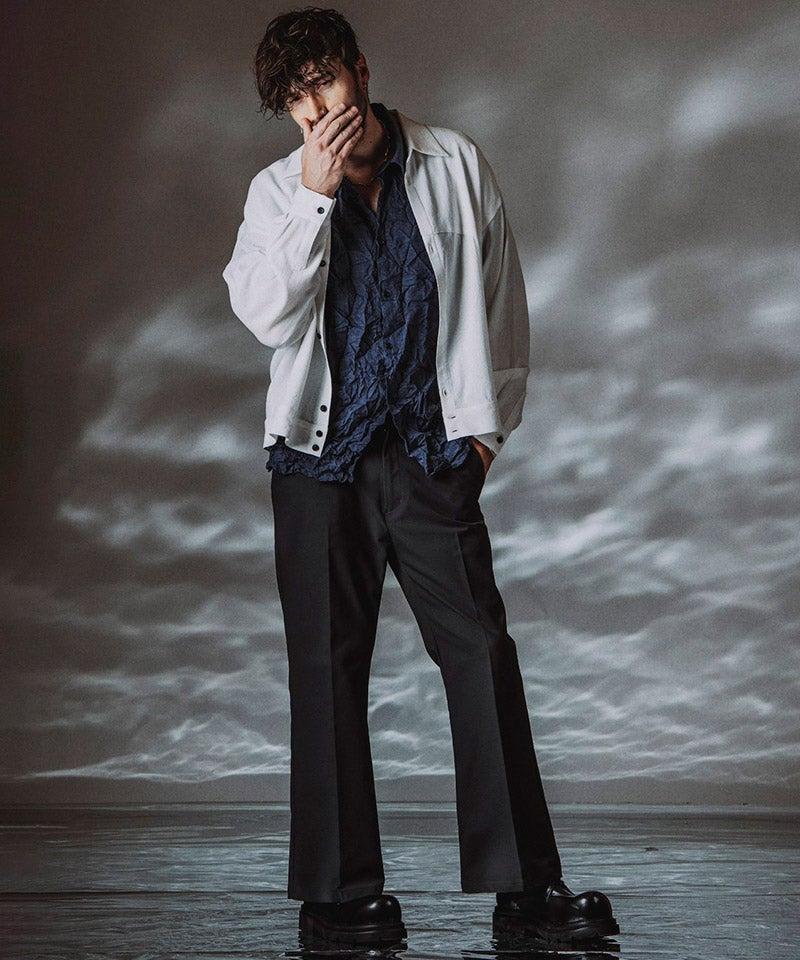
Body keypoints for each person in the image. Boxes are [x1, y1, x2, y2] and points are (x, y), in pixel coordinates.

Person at [222, 6, 619, 947]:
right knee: (327, 671)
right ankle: (338, 900)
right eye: (297, 101)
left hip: (431, 457)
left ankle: (528, 894)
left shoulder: (455, 163)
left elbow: (503, 302)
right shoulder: (277, 192)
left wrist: (485, 438)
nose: (319, 111)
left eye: (326, 82)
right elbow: (267, 318)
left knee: (481, 655)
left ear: (360, 70)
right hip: (319, 464)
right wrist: (315, 198)